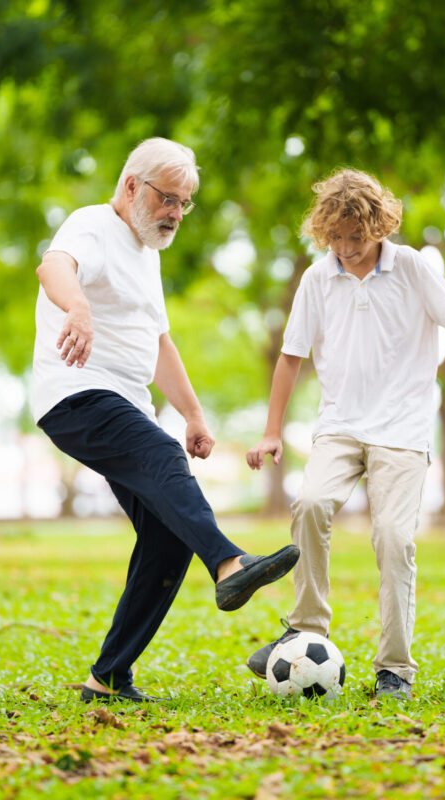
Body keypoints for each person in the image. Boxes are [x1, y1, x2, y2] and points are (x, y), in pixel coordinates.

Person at [32, 137, 300, 703]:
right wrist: (76, 305)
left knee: (168, 537)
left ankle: (107, 678)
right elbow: (54, 266)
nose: (176, 213)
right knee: (161, 456)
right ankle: (229, 563)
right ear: (132, 186)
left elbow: (157, 341)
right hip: (78, 394)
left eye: (185, 203)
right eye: (167, 199)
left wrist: (194, 413)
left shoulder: (146, 255)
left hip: (125, 402)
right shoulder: (91, 226)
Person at [245, 168, 445, 699]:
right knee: (312, 504)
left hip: (402, 430)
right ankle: (306, 629)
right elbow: (290, 358)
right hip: (339, 425)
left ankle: (394, 668)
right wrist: (272, 431)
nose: (346, 249)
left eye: (357, 238)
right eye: (336, 239)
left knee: (394, 539)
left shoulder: (412, 267)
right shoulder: (318, 278)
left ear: (379, 226)